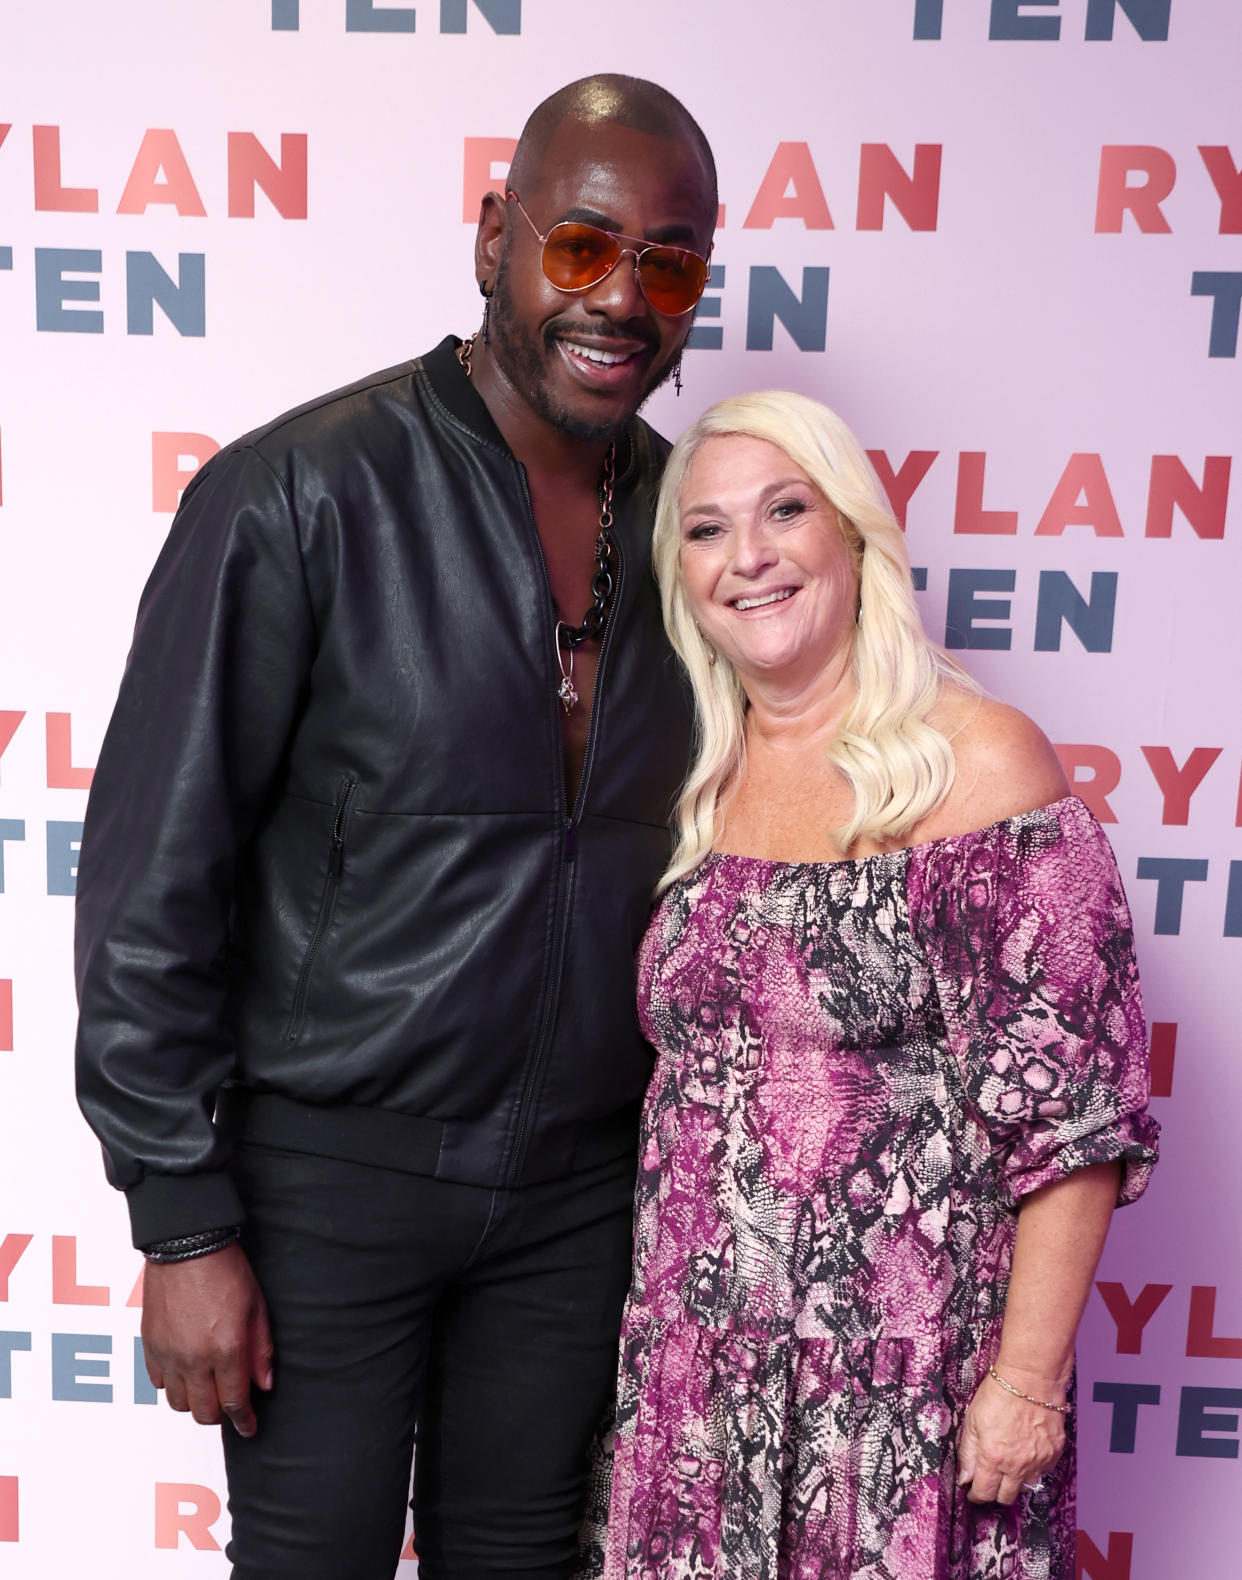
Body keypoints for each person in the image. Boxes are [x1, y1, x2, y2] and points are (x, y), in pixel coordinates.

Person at [73, 75, 717, 1580]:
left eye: (669, 262)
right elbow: (152, 883)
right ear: (495, 236)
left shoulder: (702, 527)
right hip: (327, 1186)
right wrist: (179, 1222)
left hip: (579, 1198)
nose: (621, 297)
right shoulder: (296, 492)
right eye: (579, 246)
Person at [579, 391, 1159, 1580]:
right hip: (697, 1380)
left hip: (905, 1388)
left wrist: (1028, 1382)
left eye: (785, 510)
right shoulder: (695, 771)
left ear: (851, 535)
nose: (748, 556)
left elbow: (1077, 1118)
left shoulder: (981, 761)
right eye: (705, 530)